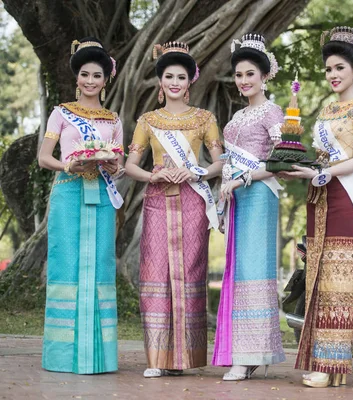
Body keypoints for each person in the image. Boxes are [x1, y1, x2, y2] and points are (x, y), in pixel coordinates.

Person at [280, 26, 353, 388]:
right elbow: (320, 157)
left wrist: (318, 172)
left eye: (339, 68)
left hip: (345, 200)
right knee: (318, 281)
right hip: (319, 198)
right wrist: (300, 170)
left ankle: (331, 365)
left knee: (341, 281)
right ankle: (327, 364)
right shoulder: (326, 109)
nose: (333, 75)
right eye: (328, 70)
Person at [125, 41, 223, 378]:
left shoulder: (204, 119)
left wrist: (197, 170)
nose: (175, 82)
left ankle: (184, 358)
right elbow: (130, 166)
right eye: (169, 76)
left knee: (190, 273)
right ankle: (157, 358)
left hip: (192, 202)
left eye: (181, 76)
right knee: (155, 273)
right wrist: (155, 172)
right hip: (156, 201)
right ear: (160, 81)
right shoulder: (148, 120)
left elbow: (220, 161)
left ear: (190, 81)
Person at [38, 37, 123, 374]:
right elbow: (45, 158)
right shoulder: (60, 113)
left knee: (102, 265)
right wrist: (68, 165)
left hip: (102, 195)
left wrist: (114, 164)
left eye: (97, 75)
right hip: (69, 191)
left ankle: (99, 356)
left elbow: (117, 159)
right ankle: (61, 355)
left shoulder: (113, 120)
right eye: (85, 74)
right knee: (66, 264)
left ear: (106, 80)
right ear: (77, 77)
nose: (90, 81)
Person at [212, 33, 285, 381]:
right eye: (239, 75)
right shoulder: (239, 114)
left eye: (249, 75)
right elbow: (228, 159)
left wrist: (242, 179)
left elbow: (282, 161)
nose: (243, 81)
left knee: (254, 272)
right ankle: (246, 352)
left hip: (258, 194)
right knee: (239, 272)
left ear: (264, 75)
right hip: (237, 197)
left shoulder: (273, 112)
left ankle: (252, 354)